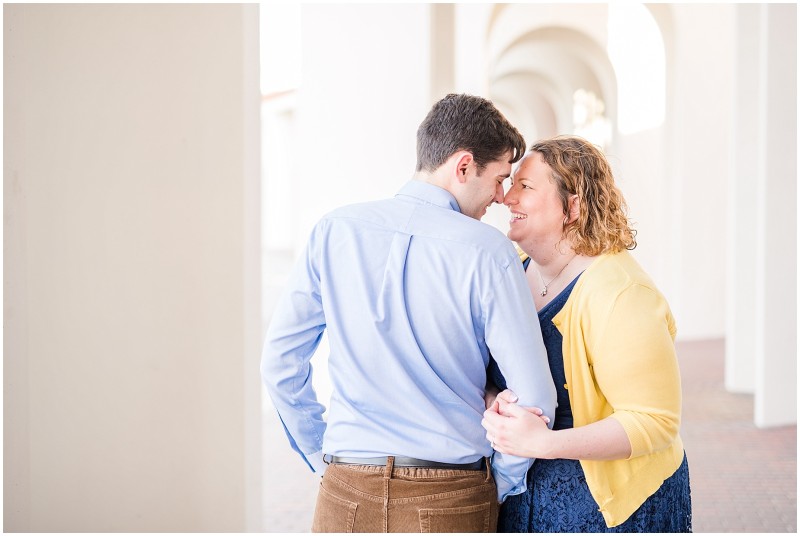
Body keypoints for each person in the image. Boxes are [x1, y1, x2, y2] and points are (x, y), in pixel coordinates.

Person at [261, 94, 557, 533]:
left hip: (344, 490)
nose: (499, 196)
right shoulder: (488, 251)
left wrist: (322, 457)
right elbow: (535, 398)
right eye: (498, 179)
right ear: (462, 166)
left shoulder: (334, 231)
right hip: (452, 494)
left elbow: (280, 365)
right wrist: (500, 483)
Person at [481, 135, 692, 532]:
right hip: (524, 494)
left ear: (573, 206)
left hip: (614, 508)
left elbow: (654, 422)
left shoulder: (622, 292)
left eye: (525, 187)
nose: (508, 198)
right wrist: (497, 405)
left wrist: (543, 444)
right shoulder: (513, 269)